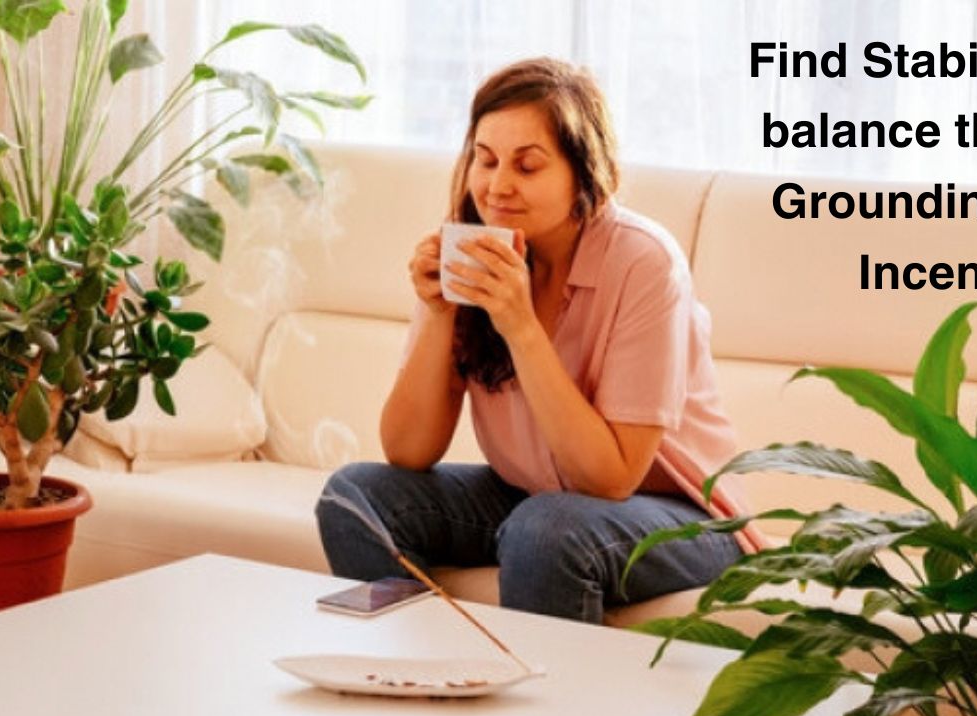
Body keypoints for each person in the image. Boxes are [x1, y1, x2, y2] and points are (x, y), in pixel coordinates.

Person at [316, 57, 766, 624]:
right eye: (485, 160)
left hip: (681, 517)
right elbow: (408, 451)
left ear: (583, 172)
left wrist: (521, 327)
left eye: (527, 166)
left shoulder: (644, 263)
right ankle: (425, 674)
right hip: (536, 498)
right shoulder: (476, 249)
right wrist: (436, 312)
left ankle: (550, 711)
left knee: (546, 529)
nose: (498, 186)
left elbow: (610, 477)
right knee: (354, 497)